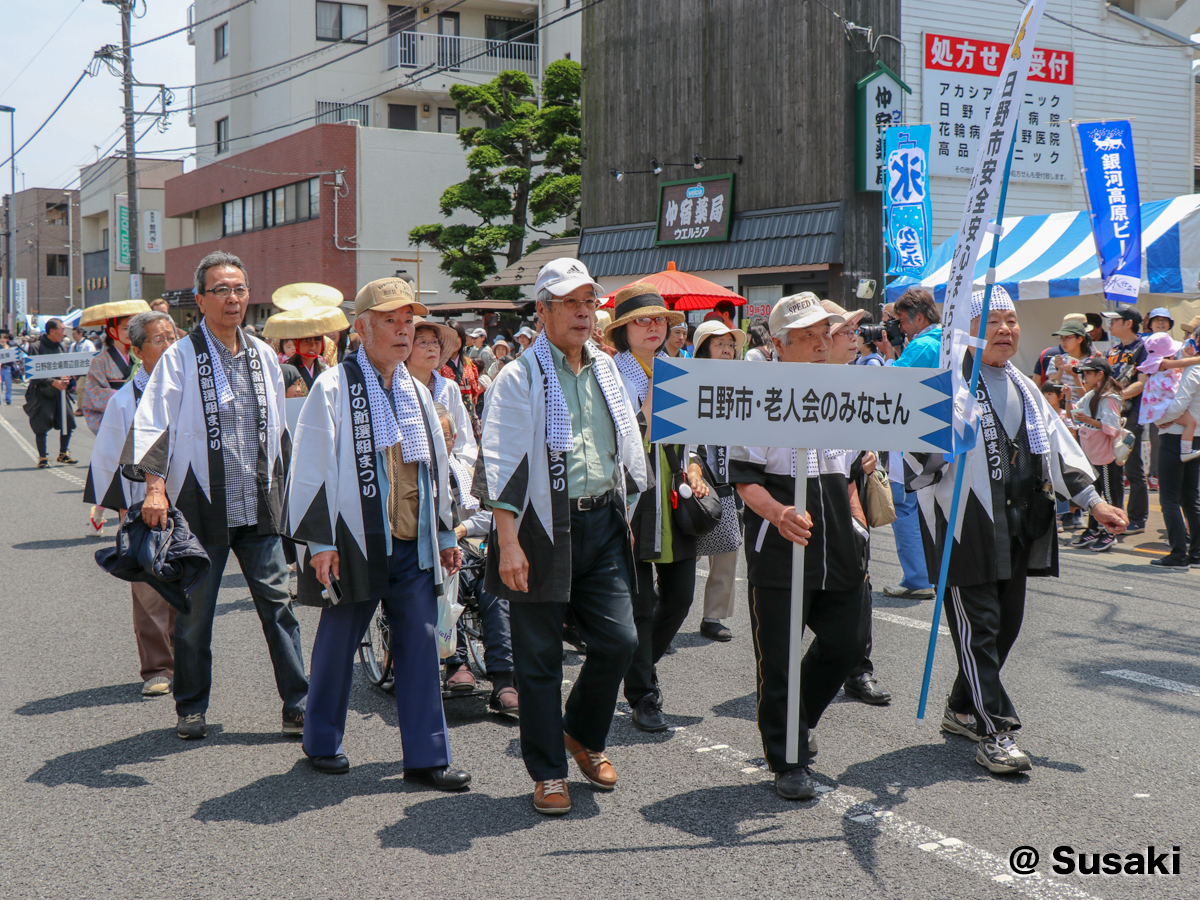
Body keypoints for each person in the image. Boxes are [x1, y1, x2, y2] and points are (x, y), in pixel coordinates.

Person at [907, 288, 1127, 774]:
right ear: (965, 330)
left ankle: (963, 707)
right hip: (964, 526)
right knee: (979, 628)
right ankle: (996, 732)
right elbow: (913, 461)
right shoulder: (945, 385)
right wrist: (942, 437)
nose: (1005, 330)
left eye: (1011, 321)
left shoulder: (1024, 387)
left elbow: (1059, 449)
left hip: (1019, 523)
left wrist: (1096, 503)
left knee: (1005, 628)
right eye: (993, 321)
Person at [476, 257, 647, 815]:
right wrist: (507, 543)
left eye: (588, 302)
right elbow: (500, 462)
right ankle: (549, 771)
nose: (582, 312)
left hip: (601, 519)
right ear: (543, 310)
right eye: (569, 303)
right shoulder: (517, 375)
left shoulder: (607, 367)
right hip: (539, 524)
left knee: (620, 640)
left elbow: (627, 439)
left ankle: (580, 733)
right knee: (540, 657)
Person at [286, 280, 469, 787]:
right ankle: (321, 740)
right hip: (356, 541)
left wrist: (447, 532)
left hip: (413, 541)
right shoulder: (333, 385)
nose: (404, 330)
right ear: (362, 328)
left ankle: (428, 756)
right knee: (338, 641)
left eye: (408, 320)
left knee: (421, 643)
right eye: (391, 320)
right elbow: (311, 469)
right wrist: (320, 544)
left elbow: (436, 465)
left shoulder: (414, 387)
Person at [133, 250, 307, 741]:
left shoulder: (264, 355)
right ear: (201, 300)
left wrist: (292, 493)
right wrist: (154, 487)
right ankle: (191, 706)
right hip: (200, 505)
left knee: (278, 606)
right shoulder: (180, 356)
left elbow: (279, 430)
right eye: (222, 290)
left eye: (240, 289)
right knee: (193, 615)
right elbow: (154, 423)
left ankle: (298, 702)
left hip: (258, 503)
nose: (233, 299)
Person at [729, 292, 873, 800]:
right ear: (778, 344)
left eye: (822, 335)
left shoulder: (845, 393)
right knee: (780, 655)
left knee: (848, 641)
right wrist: (778, 513)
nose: (818, 345)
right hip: (781, 543)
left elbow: (850, 469)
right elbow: (744, 479)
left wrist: (859, 508)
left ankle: (800, 720)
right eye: (806, 337)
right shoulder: (756, 397)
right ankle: (786, 757)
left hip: (837, 538)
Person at [607, 284, 705, 733]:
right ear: (623, 330)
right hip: (630, 490)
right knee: (640, 603)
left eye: (659, 320)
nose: (653, 327)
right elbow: (611, 440)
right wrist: (647, 409)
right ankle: (643, 692)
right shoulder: (610, 374)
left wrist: (698, 467)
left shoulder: (676, 369)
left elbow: (695, 436)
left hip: (674, 486)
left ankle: (639, 664)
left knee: (681, 596)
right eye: (642, 320)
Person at [84, 310, 179, 696]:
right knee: (148, 586)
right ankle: (158, 667)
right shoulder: (126, 400)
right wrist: (118, 509)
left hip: (191, 497)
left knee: (191, 583)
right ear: (137, 351)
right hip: (144, 502)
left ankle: (189, 662)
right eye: (160, 340)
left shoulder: (188, 386)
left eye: (174, 337)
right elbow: (108, 456)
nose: (170, 345)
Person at [821, 300, 890, 705]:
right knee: (802, 592)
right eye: (846, 332)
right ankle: (793, 679)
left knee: (857, 585)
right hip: (804, 500)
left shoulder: (858, 380)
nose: (855, 338)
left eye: (854, 331)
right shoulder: (790, 380)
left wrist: (870, 454)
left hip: (848, 497)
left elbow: (869, 439)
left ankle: (858, 670)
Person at [435, 402, 517, 714]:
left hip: (470, 548)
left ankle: (503, 678)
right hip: (433, 554)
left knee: (494, 590)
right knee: (448, 582)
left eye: (445, 435)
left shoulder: (466, 471)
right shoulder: (411, 472)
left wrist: (459, 530)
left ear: (454, 438)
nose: (441, 440)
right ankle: (456, 662)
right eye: (434, 433)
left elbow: (490, 516)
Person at [879, 288, 939, 601]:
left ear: (918, 317)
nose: (899, 327)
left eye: (901, 320)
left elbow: (890, 384)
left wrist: (886, 355)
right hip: (945, 439)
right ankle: (935, 573)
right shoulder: (949, 340)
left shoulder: (923, 344)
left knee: (905, 506)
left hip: (915, 440)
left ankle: (917, 577)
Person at [690, 319, 747, 643]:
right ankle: (662, 600)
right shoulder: (688, 381)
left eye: (731, 345)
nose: (727, 350)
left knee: (727, 549)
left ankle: (713, 616)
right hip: (693, 476)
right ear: (703, 349)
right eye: (720, 344)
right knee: (684, 553)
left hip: (728, 479)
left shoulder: (742, 381)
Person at [1065, 358, 1126, 552]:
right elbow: (1072, 415)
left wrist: (1089, 420)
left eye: (1088, 373)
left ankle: (1111, 531)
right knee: (1094, 496)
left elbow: (1112, 428)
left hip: (1106, 456)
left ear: (1100, 374)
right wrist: (1067, 397)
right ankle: (1093, 529)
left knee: (1109, 495)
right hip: (1091, 456)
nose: (1084, 377)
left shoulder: (1110, 397)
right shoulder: (1091, 395)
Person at [407, 317, 476, 468]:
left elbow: (464, 440)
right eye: (423, 342)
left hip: (448, 474)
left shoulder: (449, 387)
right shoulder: (395, 388)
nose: (432, 348)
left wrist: (458, 468)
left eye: (435, 342)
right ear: (406, 349)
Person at [1103, 307, 1150, 534]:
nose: (1109, 325)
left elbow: (1142, 383)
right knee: (1112, 468)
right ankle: (1117, 517)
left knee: (1132, 468)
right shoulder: (1112, 350)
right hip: (1111, 413)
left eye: (1114, 320)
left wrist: (1117, 396)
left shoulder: (1143, 347)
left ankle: (1137, 519)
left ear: (1129, 323)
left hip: (1132, 413)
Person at [81, 301, 150, 435]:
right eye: (125, 328)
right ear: (112, 330)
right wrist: (125, 397)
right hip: (114, 420)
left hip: (141, 417)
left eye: (133, 328)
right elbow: (93, 393)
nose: (130, 333)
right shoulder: (100, 361)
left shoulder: (141, 356)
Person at [23, 319, 77, 468]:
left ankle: (63, 453)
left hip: (60, 391)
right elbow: (32, 372)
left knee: (68, 421)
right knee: (41, 424)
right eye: (62, 329)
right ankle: (42, 457)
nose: (65, 333)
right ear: (52, 331)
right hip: (42, 391)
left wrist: (66, 377)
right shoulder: (36, 347)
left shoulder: (59, 347)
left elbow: (63, 367)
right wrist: (51, 381)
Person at [1138, 332, 1200, 461]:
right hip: (1165, 404)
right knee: (1191, 422)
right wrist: (1197, 359)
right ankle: (1186, 451)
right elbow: (1183, 363)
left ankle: (1186, 451)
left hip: (1162, 404)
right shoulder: (1163, 363)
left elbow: (1181, 367)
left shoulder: (1158, 365)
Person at [1033, 314, 1086, 386]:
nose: (1063, 341)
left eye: (1067, 337)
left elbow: (1088, 395)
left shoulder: (1089, 362)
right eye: (1061, 338)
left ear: (1079, 339)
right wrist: (1060, 370)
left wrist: (1075, 376)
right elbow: (1052, 390)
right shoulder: (1056, 361)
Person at [0, 332, 15, 404]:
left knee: (8, 385)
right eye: (1, 338)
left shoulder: (10, 347)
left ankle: (8, 399)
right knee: (0, 385)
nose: (2, 340)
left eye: (4, 338)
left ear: (7, 339)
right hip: (0, 368)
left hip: (7, 367)